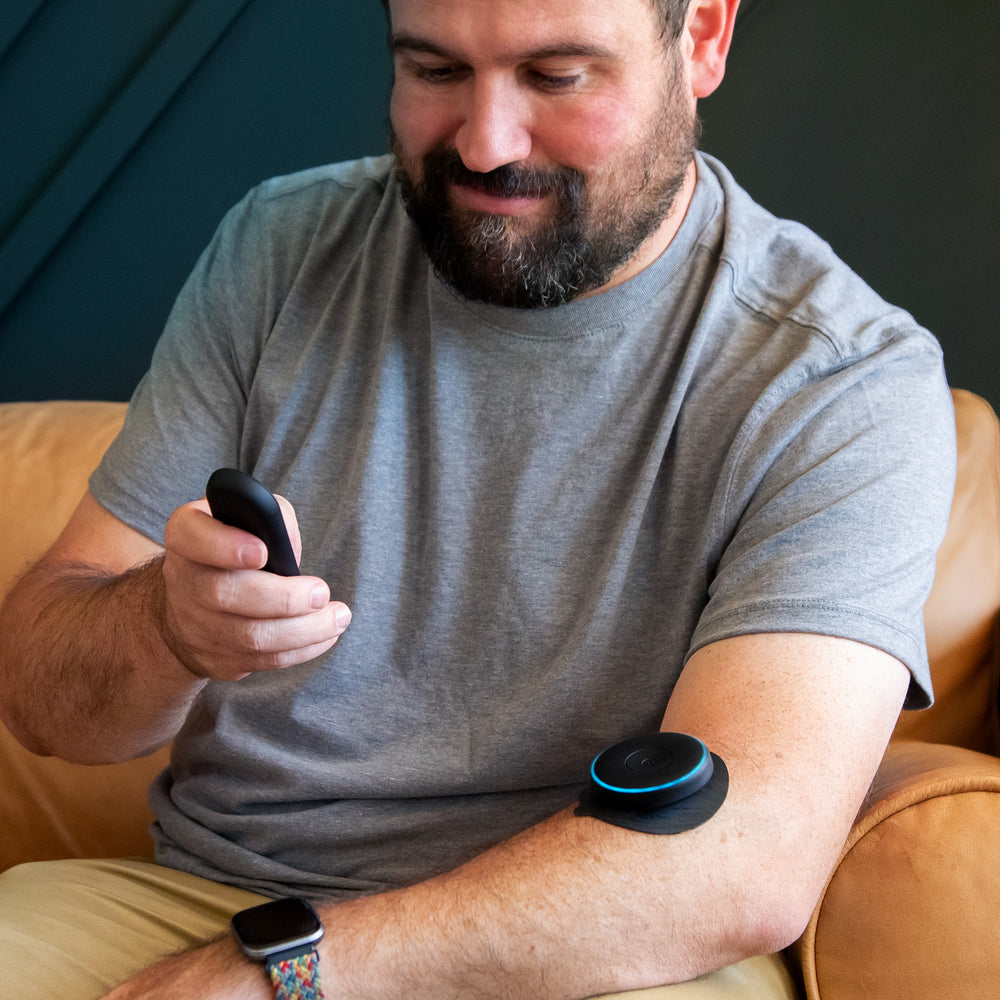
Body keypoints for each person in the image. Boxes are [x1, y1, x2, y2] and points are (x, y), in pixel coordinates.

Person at [0, 0, 956, 997]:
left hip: (604, 941)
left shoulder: (838, 378)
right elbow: (45, 706)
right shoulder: (279, 253)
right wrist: (165, 623)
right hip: (228, 900)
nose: (487, 144)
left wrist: (287, 977)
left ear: (703, 38)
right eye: (435, 72)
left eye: (556, 77)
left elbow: (741, 857)